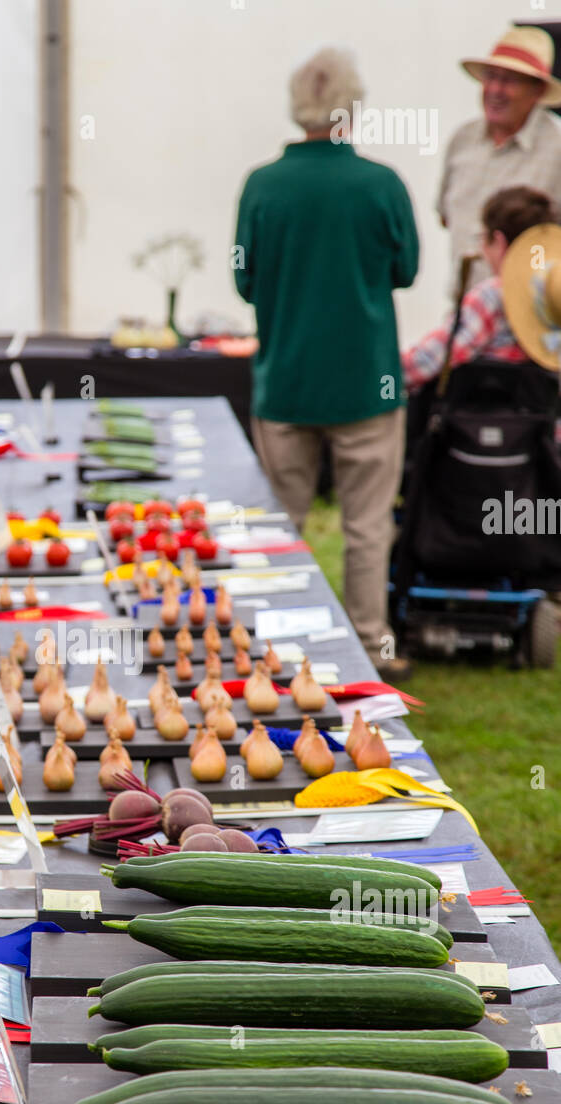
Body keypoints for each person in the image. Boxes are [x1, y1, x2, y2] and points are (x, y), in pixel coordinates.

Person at [233, 48, 419, 676]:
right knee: (367, 524)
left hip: (287, 379)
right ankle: (370, 643)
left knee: (284, 523)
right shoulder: (382, 184)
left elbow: (243, 281)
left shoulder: (262, 185)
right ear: (352, 105)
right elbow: (407, 270)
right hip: (368, 380)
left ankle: (277, 645)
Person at [437, 26, 561, 294]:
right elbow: (446, 216)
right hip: (466, 308)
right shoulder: (463, 140)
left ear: (537, 90)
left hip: (531, 314)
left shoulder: (557, 147)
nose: (495, 89)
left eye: (509, 80)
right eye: (490, 77)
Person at [404, 186, 559, 391]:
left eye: (482, 238)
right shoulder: (553, 292)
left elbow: (425, 363)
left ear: (499, 241)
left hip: (491, 416)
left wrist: (383, 375)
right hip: (546, 418)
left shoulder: (493, 296)